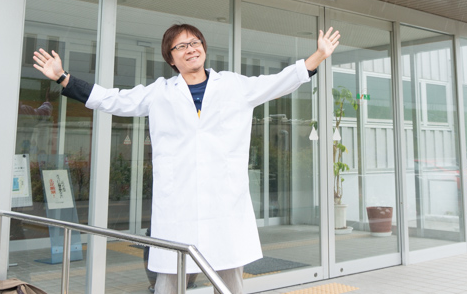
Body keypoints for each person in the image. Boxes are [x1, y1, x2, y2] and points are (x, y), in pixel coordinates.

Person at [33, 23, 340, 294]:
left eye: (195, 43)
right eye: (181, 46)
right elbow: (113, 99)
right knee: (170, 280)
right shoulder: (160, 92)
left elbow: (280, 81)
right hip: (177, 204)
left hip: (224, 203)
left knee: (230, 281)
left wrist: (319, 55)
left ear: (203, 48)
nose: (191, 49)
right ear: (171, 58)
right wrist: (63, 78)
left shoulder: (233, 85)